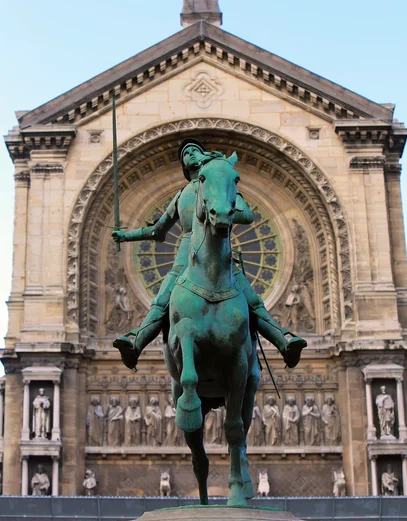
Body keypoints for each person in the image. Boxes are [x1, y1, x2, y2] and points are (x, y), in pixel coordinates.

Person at [112, 138, 306, 370]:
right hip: (185, 257)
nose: (191, 154)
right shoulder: (181, 195)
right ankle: (135, 342)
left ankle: (284, 342)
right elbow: (157, 230)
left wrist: (223, 211)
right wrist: (126, 236)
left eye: (196, 151)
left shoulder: (221, 186)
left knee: (253, 300)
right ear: (184, 165)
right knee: (162, 300)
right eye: (186, 153)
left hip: (221, 257)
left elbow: (247, 215)